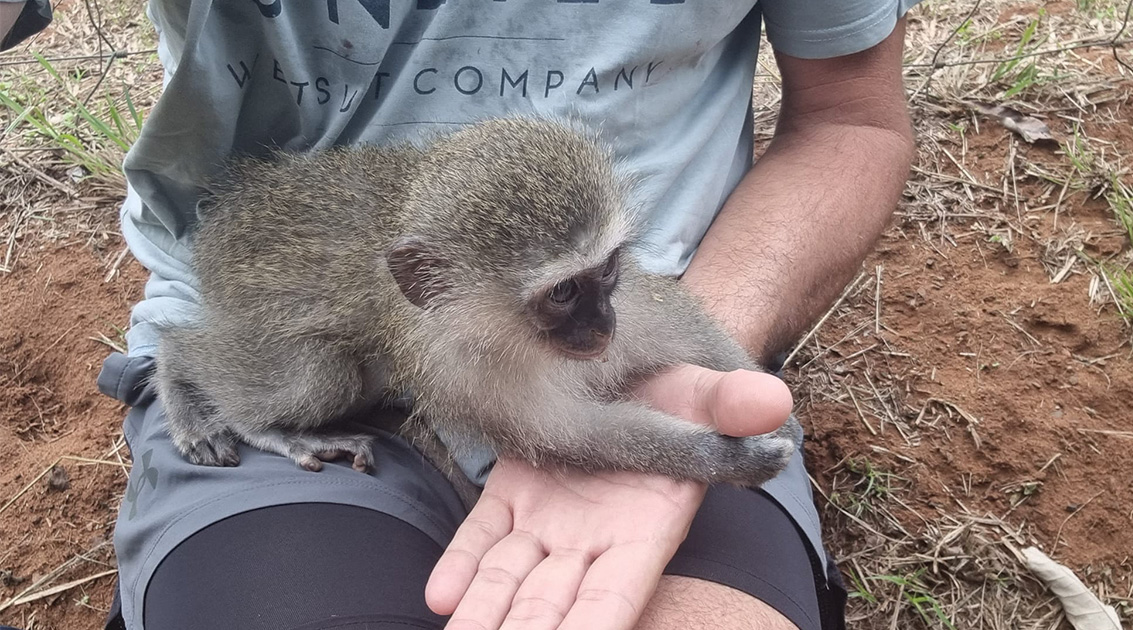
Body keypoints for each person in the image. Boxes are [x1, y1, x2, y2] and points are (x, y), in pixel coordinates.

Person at [3, 2, 918, 628]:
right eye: (563, 299)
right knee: (315, 393)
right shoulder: (446, 332)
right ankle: (187, 368)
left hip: (402, 253)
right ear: (430, 287)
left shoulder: (590, 282)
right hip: (289, 324)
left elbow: (848, 128)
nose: (600, 322)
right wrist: (710, 456)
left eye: (605, 274)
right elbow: (573, 438)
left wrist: (731, 384)